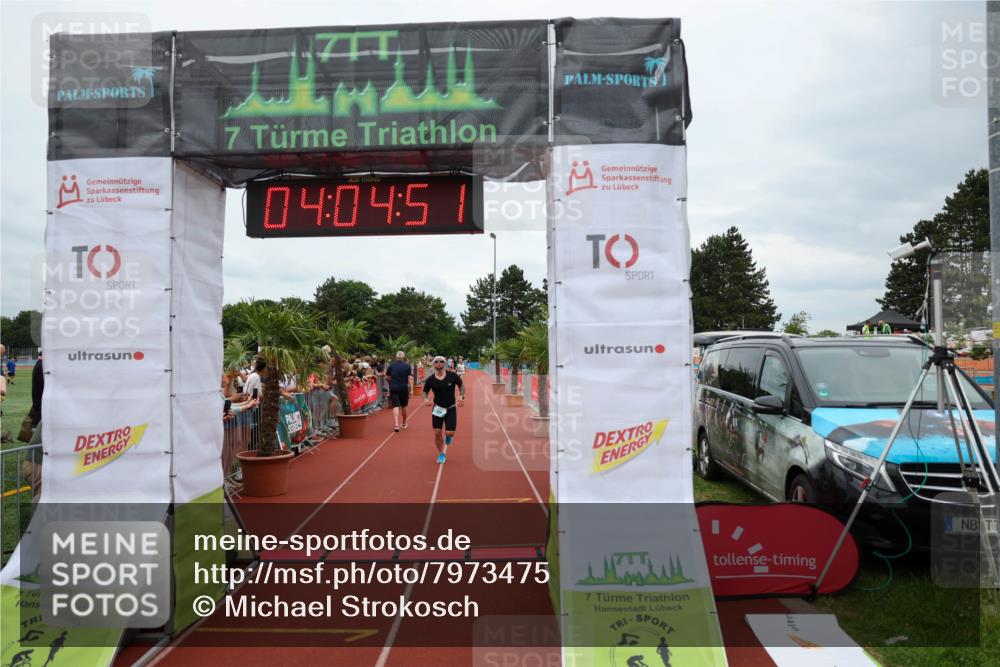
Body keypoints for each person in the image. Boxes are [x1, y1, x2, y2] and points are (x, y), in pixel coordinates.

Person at [422, 355, 464, 464]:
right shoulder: (430, 379)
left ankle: (448, 436)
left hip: (450, 408)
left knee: (449, 433)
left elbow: (461, 386)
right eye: (437, 362)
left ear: (444, 363)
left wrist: (461, 397)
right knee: (437, 432)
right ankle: (441, 453)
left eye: (441, 361)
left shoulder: (452, 376)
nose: (439, 363)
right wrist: (426, 399)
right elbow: (424, 391)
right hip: (437, 408)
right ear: (434, 364)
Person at [385, 351, 413, 431]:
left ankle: (396, 424)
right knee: (404, 406)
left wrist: (390, 382)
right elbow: (410, 378)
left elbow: (386, 377)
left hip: (393, 388)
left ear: (396, 357)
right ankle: (404, 423)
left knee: (396, 406)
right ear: (403, 357)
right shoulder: (407, 366)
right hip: (403, 388)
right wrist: (411, 390)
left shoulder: (391, 366)